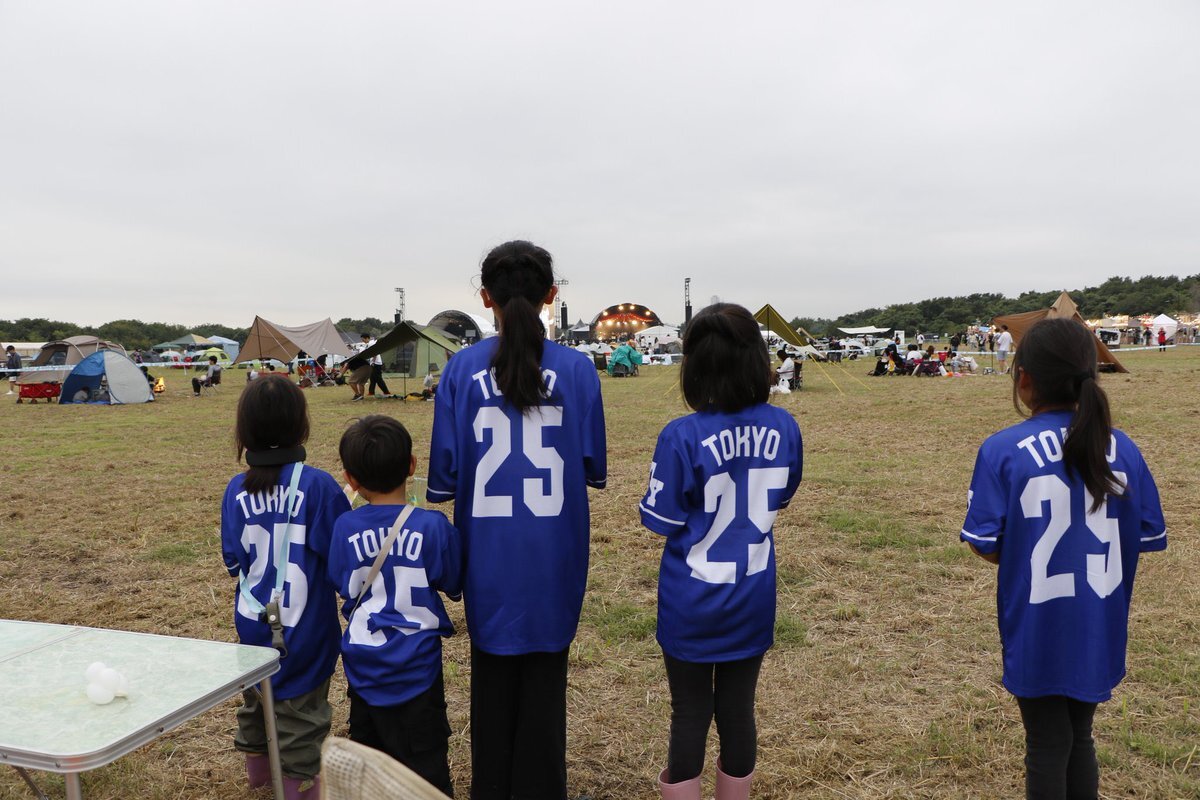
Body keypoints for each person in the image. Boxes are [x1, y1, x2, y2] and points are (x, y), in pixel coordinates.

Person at [427, 240, 607, 800]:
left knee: (493, 690)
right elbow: (591, 465)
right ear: (551, 295)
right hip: (555, 558)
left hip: (488, 561)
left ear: (486, 298)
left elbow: (444, 477)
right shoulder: (578, 370)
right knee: (545, 694)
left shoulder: (460, 370)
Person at [960, 317, 1165, 800]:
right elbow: (1145, 534)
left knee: (1046, 744)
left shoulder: (1002, 449)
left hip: (1037, 624)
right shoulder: (1124, 448)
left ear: (1024, 378)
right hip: (1099, 621)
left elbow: (984, 541)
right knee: (1079, 737)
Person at [641, 303, 803, 800]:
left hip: (690, 600)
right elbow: (782, 495)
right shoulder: (784, 427)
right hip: (751, 595)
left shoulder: (681, 434)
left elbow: (661, 520)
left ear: (694, 367)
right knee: (738, 710)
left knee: (690, 711)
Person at [220, 375, 351, 799]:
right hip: (305, 628)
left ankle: (259, 779)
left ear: (245, 431)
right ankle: (298, 788)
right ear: (301, 426)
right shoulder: (318, 486)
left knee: (257, 701)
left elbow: (233, 561)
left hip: (253, 624)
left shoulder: (236, 490)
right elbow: (340, 559)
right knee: (302, 717)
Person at [328, 415, 462, 796]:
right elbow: (453, 582)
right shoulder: (433, 526)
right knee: (427, 769)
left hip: (363, 669)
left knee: (370, 770)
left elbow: (341, 582)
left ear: (351, 479)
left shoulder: (344, 527)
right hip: (419, 667)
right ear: (412, 465)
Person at [361, 333, 395, 398]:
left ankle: (386, 392)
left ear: (367, 338)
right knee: (372, 378)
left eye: (363, 339)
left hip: (376, 364)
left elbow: (375, 352)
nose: (363, 341)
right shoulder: (369, 344)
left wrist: (373, 362)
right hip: (373, 363)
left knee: (379, 379)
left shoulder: (371, 343)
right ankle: (371, 392)